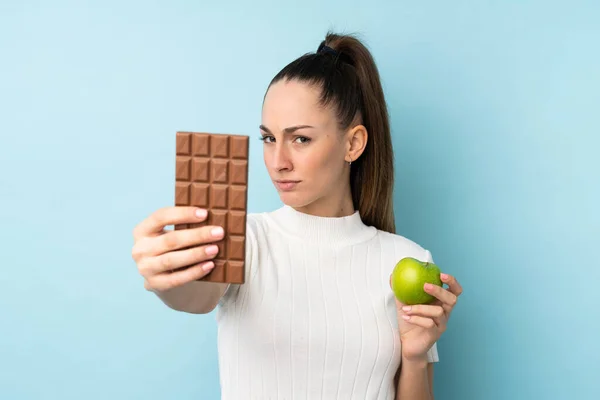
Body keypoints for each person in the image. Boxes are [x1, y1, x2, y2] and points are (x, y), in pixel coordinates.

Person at [131, 31, 463, 400]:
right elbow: (193, 296)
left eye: (300, 139)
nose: (278, 162)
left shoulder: (408, 261)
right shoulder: (245, 240)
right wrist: (167, 277)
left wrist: (415, 357)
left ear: (353, 143)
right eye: (269, 138)